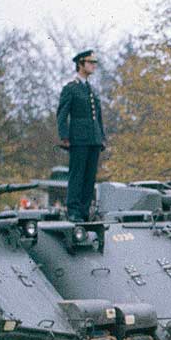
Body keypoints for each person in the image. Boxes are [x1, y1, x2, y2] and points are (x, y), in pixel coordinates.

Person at [57, 50, 106, 222]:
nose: (93, 65)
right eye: (90, 62)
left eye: (94, 62)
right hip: (78, 138)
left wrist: (102, 137)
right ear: (80, 64)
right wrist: (64, 136)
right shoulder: (71, 88)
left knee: (89, 177)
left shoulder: (91, 90)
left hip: (93, 138)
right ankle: (74, 211)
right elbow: (62, 114)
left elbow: (98, 116)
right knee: (77, 175)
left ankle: (84, 212)